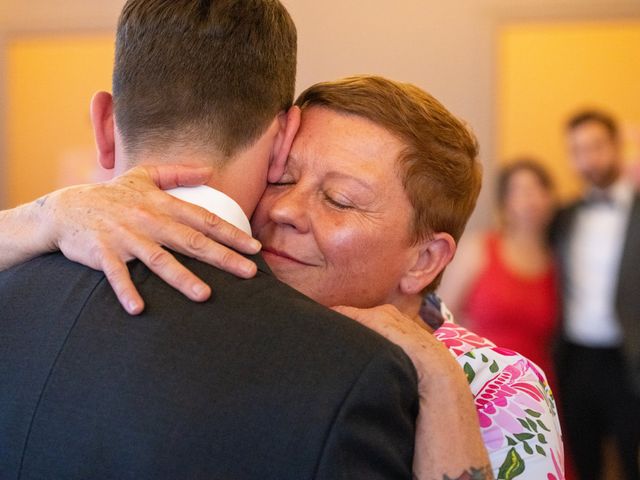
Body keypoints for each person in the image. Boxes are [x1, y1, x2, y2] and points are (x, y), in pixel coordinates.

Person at [1, 74, 565, 477]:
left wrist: (440, 384)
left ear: (424, 260)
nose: (284, 211)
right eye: (280, 178)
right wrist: (52, 213)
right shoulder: (208, 304)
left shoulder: (501, 389)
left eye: (340, 200)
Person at [550, 110, 640, 480]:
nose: (588, 158)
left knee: (630, 461)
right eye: (578, 150)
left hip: (628, 358)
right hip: (574, 359)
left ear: (616, 146)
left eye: (597, 146)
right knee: (582, 460)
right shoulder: (564, 216)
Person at [439, 159, 559, 386]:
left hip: (535, 389)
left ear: (550, 199)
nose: (530, 199)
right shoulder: (479, 249)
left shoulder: (556, 263)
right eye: (520, 191)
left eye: (537, 189)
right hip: (478, 382)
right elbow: (440, 320)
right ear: (505, 203)